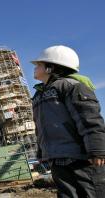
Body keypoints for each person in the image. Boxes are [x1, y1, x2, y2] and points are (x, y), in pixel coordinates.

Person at [31, 45, 105, 197]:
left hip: (81, 159)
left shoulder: (71, 87)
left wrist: (97, 150)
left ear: (50, 67)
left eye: (39, 64)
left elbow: (89, 119)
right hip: (57, 159)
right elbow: (41, 129)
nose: (34, 67)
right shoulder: (38, 95)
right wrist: (41, 154)